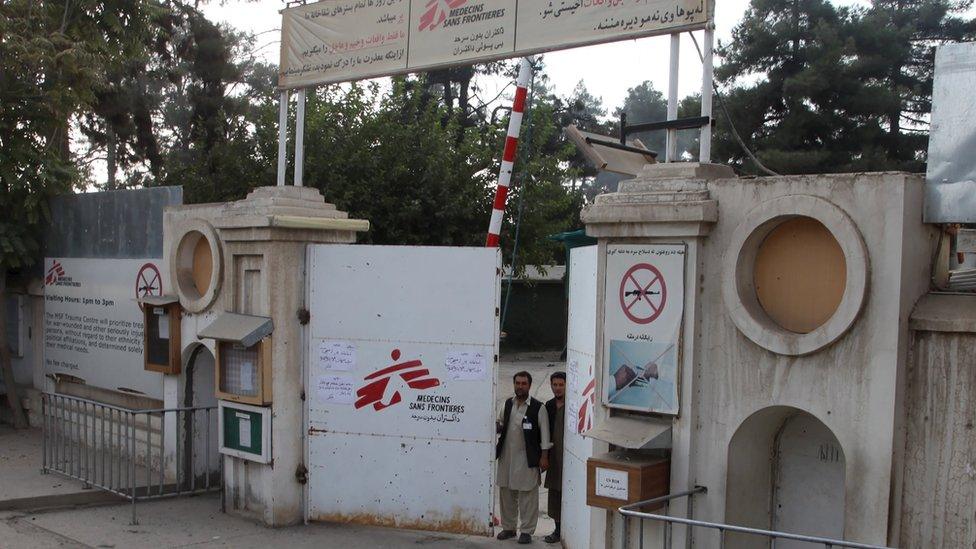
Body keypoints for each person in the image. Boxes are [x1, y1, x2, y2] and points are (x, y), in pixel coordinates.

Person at [496, 371, 551, 544]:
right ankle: (509, 528)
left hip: (528, 458)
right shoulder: (507, 404)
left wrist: (544, 457)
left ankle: (526, 531)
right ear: (514, 384)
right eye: (517, 383)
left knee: (528, 495)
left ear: (529, 385)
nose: (520, 386)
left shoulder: (537, 407)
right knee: (506, 493)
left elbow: (545, 435)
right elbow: (500, 424)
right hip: (507, 457)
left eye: (523, 383)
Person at [543, 372, 566, 544]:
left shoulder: (574, 404)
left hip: (569, 458)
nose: (557, 388)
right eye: (555, 385)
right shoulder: (549, 406)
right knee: (555, 495)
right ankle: (557, 530)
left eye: (561, 385)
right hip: (554, 458)